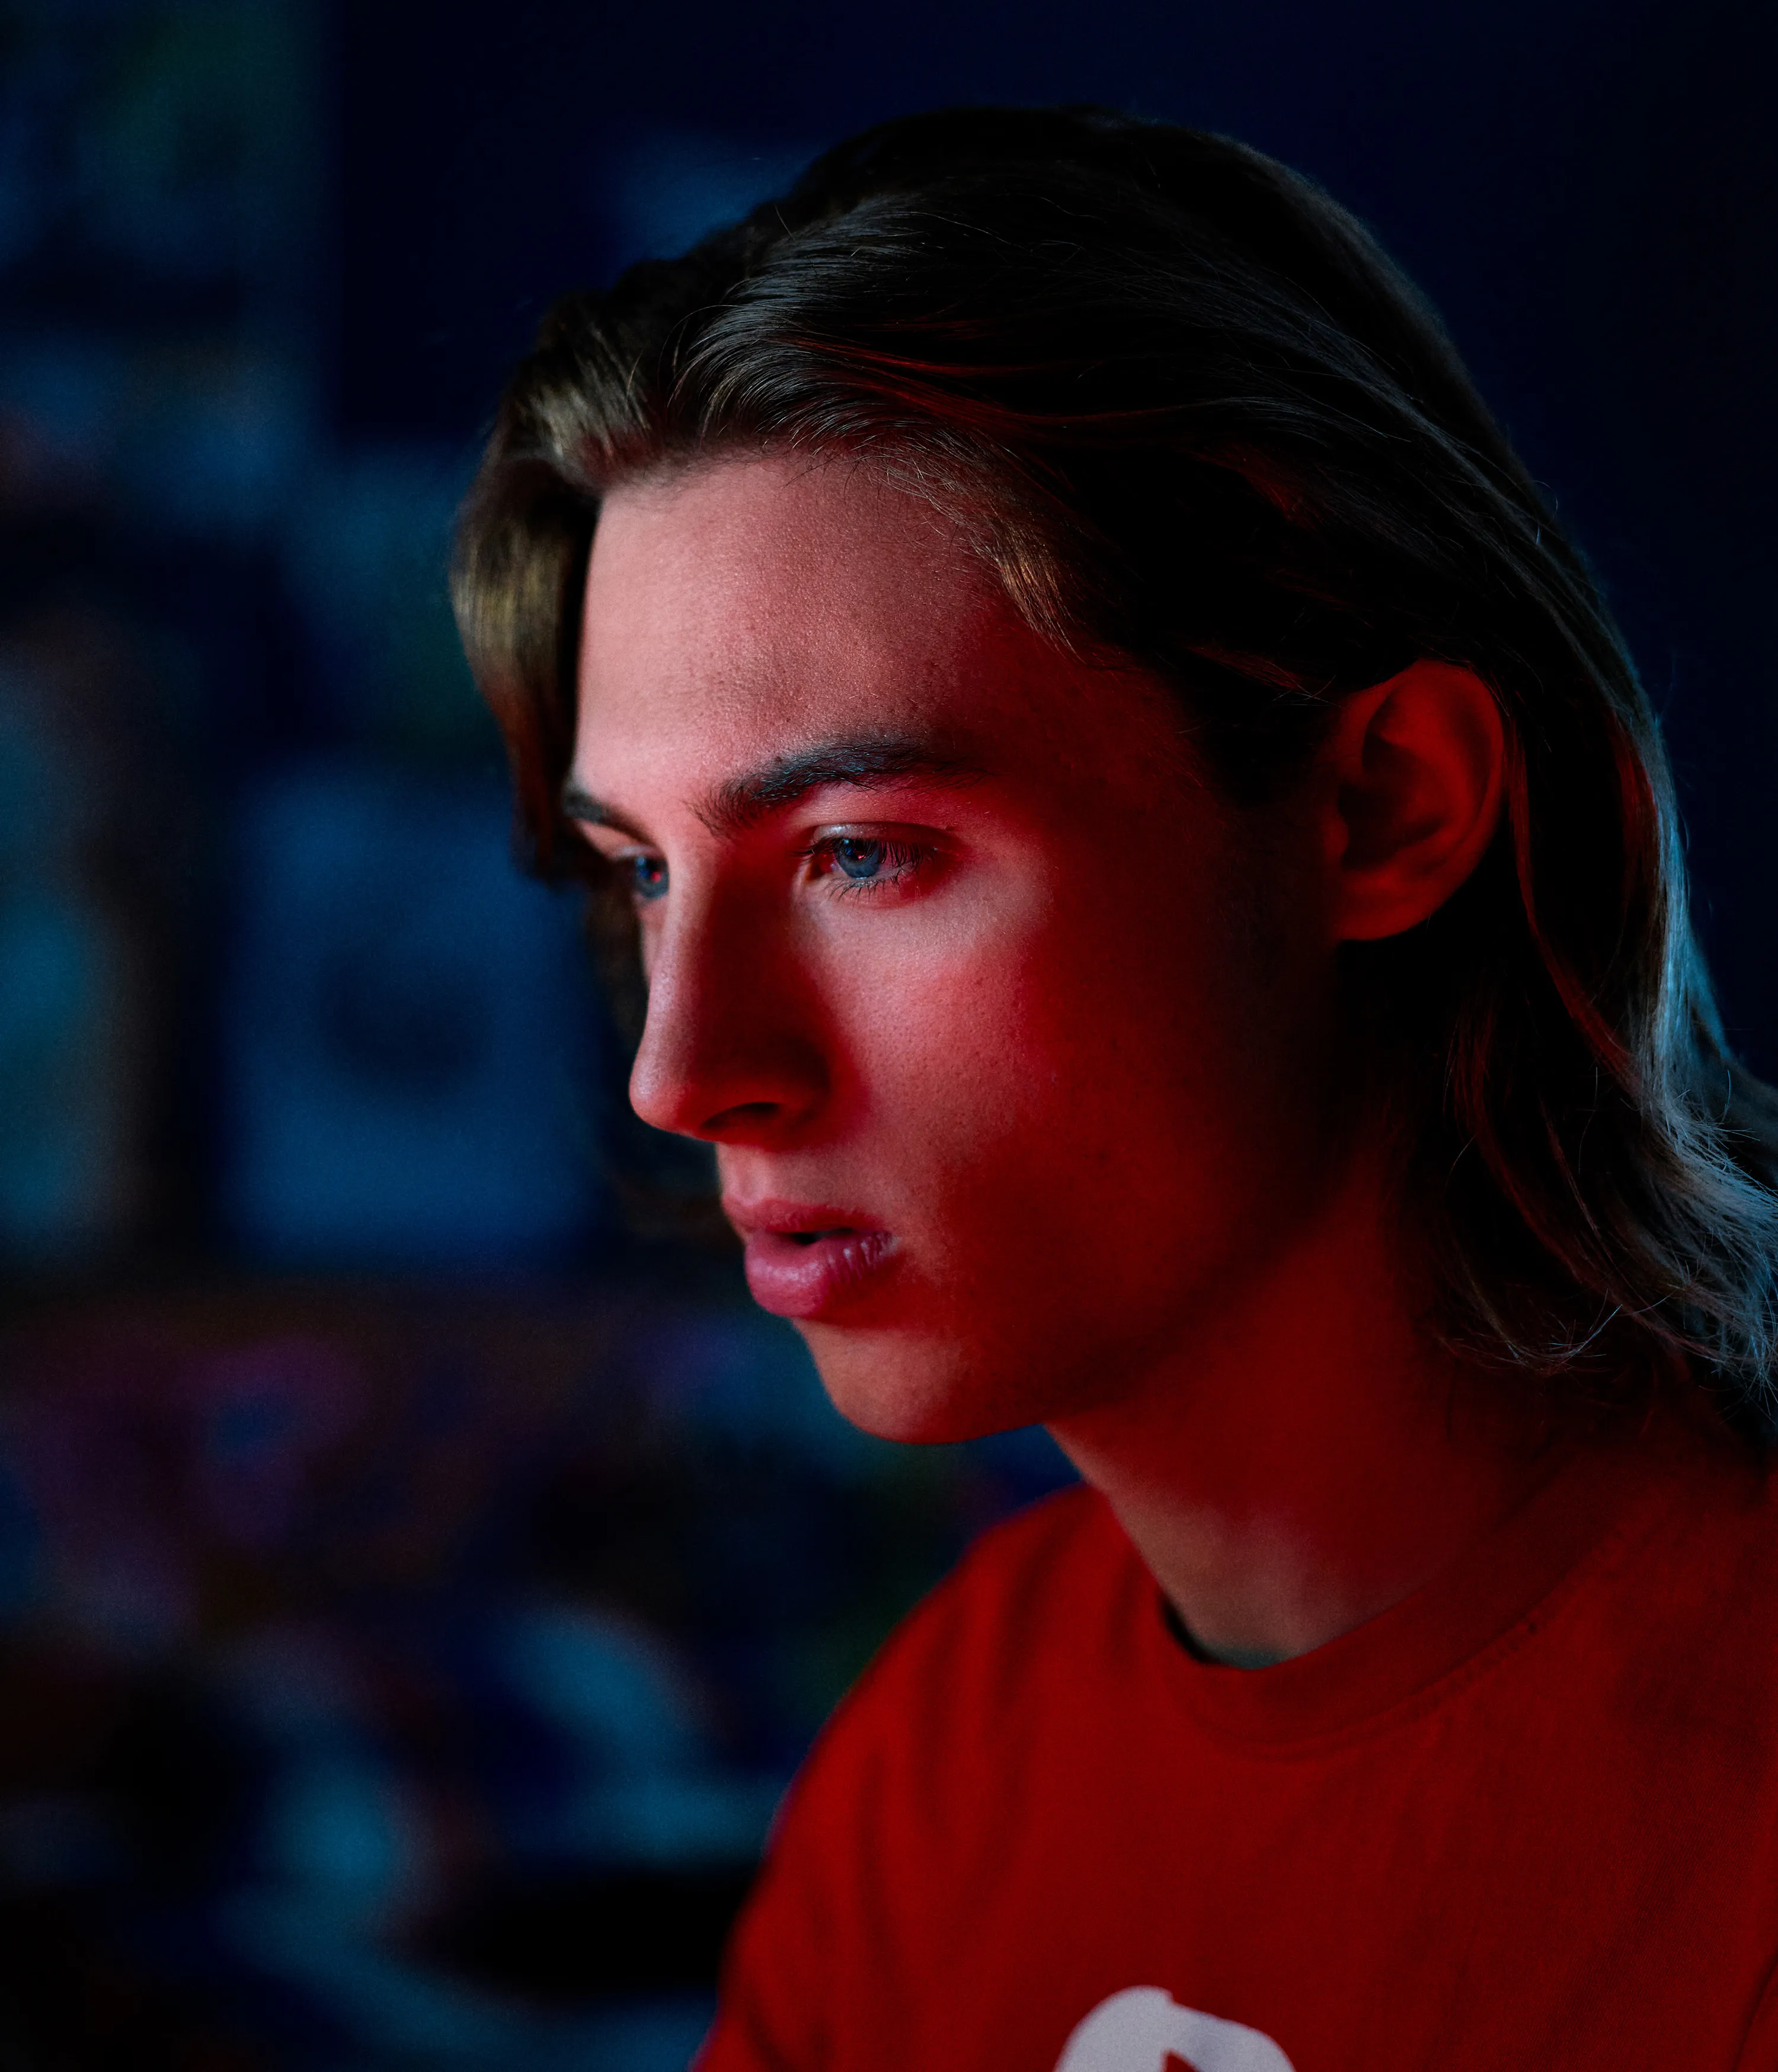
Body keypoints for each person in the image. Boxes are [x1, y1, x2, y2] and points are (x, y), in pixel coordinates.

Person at [450, 107, 1778, 2071]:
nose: (682, 1072)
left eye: (864, 852)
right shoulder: (942, 1758)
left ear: (1383, 809)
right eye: (647, 872)